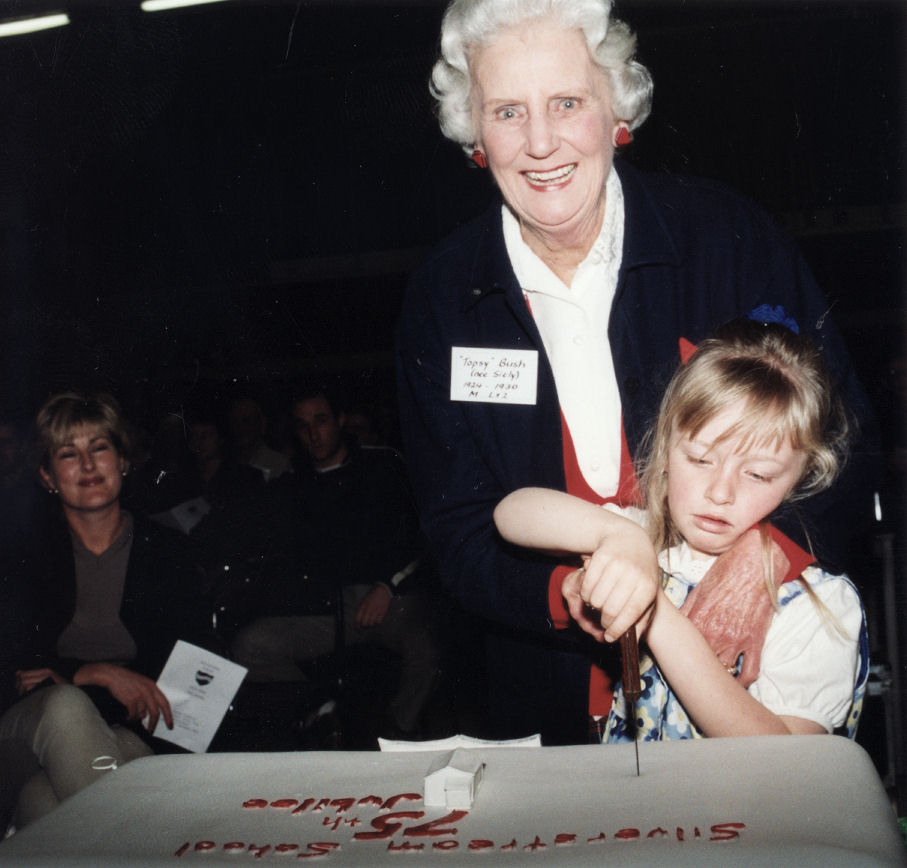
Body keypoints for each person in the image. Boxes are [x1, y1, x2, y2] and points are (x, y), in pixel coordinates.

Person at [395, 0, 877, 744]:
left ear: (615, 109)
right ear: (475, 138)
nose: (541, 142)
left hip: (738, 681)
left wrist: (748, 578)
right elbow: (459, 526)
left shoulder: (728, 238)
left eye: (566, 102)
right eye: (507, 112)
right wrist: (574, 593)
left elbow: (838, 448)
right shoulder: (442, 295)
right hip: (544, 698)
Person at [495, 320, 867, 741]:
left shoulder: (817, 604)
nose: (721, 493)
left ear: (799, 479)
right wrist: (619, 537)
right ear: (666, 448)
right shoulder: (642, 538)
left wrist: (653, 611)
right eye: (701, 459)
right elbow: (512, 512)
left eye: (759, 475)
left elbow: (783, 765)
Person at [0, 392, 208, 828]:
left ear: (123, 460)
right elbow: (17, 668)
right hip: (27, 730)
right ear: (46, 475)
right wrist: (94, 673)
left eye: (99, 448)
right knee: (65, 706)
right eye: (68, 454)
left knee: (42, 804)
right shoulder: (21, 556)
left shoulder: (171, 553)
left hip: (125, 732)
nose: (89, 466)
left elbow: (196, 672)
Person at [231, 389, 442, 740]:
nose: (314, 434)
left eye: (321, 421)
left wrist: (388, 586)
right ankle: (318, 709)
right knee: (250, 644)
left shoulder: (382, 465)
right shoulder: (294, 485)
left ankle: (396, 731)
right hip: (330, 608)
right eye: (303, 426)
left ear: (340, 420)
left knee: (429, 649)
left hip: (391, 599)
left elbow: (425, 538)